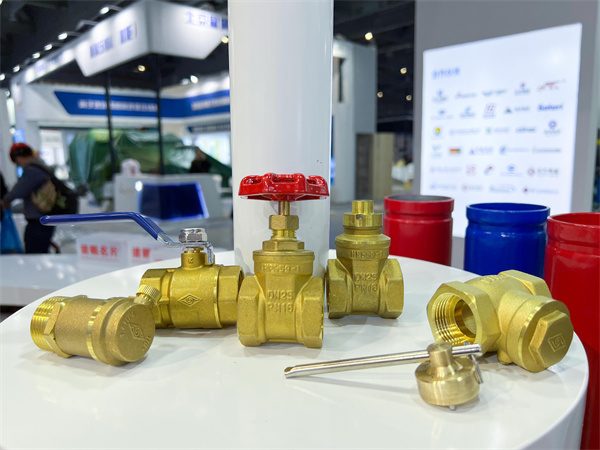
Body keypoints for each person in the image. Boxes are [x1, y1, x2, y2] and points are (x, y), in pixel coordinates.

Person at [1, 143, 55, 253]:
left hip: (38, 219)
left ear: (19, 157)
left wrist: (6, 200)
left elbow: (19, 190)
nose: (19, 165)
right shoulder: (40, 166)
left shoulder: (32, 170)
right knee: (40, 250)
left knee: (35, 253)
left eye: (17, 162)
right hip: (43, 218)